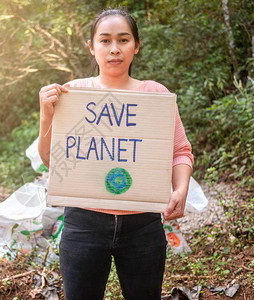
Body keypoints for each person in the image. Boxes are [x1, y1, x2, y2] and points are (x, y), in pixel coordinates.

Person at [38, 8, 193, 300]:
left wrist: (181, 188)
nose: (114, 49)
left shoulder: (155, 95)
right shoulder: (73, 94)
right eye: (105, 40)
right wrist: (47, 115)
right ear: (91, 47)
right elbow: (52, 160)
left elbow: (180, 151)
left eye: (123, 40)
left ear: (136, 46)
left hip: (143, 225)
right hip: (83, 223)